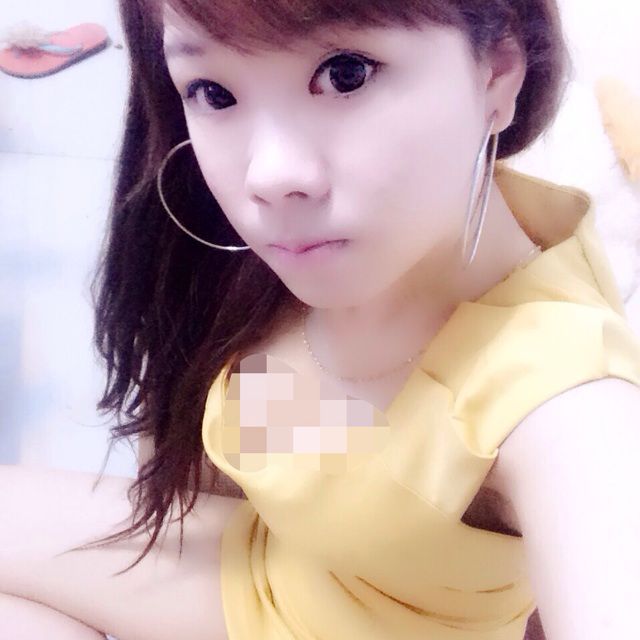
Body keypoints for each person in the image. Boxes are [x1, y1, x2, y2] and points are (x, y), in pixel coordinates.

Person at [1, 0, 640, 638]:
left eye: (346, 73)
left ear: (498, 68)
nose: (270, 175)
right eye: (214, 92)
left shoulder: (564, 397)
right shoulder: (269, 254)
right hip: (265, 565)